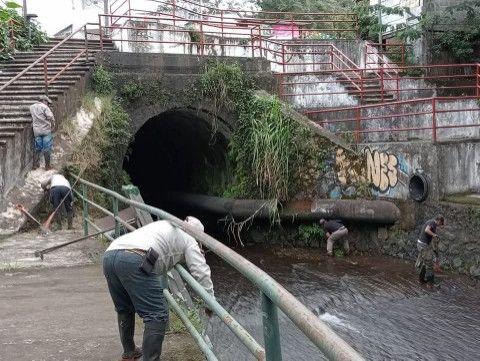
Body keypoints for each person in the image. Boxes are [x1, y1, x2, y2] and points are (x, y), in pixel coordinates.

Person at [103, 216, 214, 361]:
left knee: (125, 308)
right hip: (134, 259)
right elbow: (201, 272)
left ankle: (129, 352)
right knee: (157, 314)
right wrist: (209, 300)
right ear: (197, 235)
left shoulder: (165, 224)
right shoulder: (189, 240)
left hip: (110, 255)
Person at [415, 215, 444, 286]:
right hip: (423, 245)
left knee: (425, 263)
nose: (440, 225)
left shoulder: (431, 222)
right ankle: (430, 283)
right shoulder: (432, 222)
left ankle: (421, 280)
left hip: (422, 244)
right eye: (441, 223)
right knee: (429, 265)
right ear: (439, 221)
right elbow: (427, 230)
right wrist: (434, 235)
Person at [30, 95, 55, 170]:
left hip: (36, 131)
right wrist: (53, 125)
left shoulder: (32, 107)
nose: (47, 104)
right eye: (47, 102)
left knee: (37, 147)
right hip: (45, 130)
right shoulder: (45, 107)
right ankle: (47, 166)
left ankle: (35, 165)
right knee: (47, 148)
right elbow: (51, 117)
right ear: (44, 101)